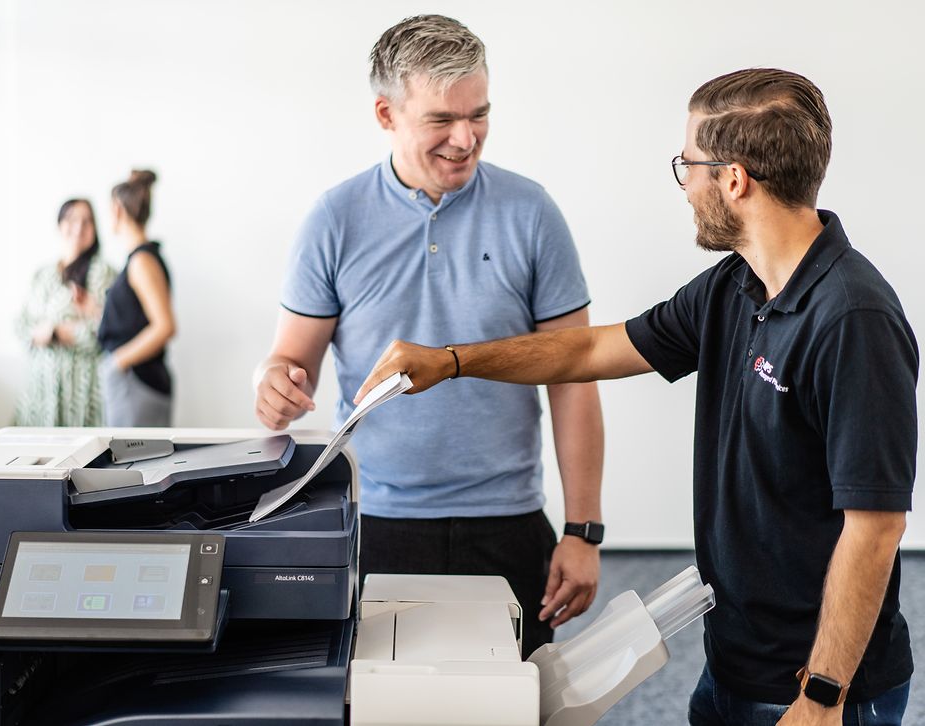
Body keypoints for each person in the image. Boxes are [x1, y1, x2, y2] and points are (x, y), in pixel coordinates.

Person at [356, 68, 916, 725]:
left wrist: (822, 696)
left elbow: (875, 529)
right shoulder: (732, 287)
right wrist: (450, 362)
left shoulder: (853, 319)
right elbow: (591, 349)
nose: (686, 188)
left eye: (689, 166)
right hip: (736, 658)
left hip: (818, 687)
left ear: (733, 179)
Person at [254, 14, 604, 657]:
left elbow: (574, 377)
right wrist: (272, 382)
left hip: (508, 520)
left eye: (480, 114)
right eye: (441, 121)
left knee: (516, 705)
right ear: (387, 114)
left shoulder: (532, 213)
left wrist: (583, 529)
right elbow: (287, 361)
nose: (466, 138)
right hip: (377, 521)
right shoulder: (334, 219)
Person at [14, 199, 117, 426]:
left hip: (83, 390)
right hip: (41, 388)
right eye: (72, 219)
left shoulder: (103, 273)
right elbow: (21, 325)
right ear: (60, 224)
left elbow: (107, 331)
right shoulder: (42, 274)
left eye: (87, 221)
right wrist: (39, 333)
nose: (79, 227)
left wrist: (57, 333)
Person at [98, 169, 175, 427]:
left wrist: (118, 362)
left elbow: (165, 326)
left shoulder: (142, 262)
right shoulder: (140, 259)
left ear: (117, 210)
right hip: (134, 381)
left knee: (135, 466)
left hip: (137, 382)